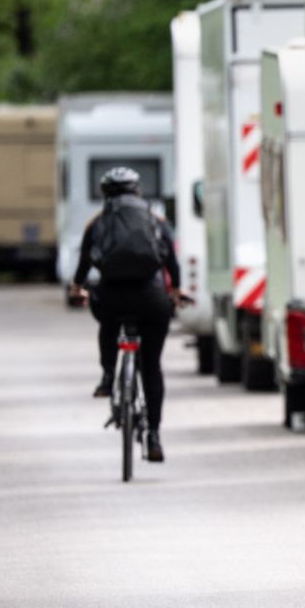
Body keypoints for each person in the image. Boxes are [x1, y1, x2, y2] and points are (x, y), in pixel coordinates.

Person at [69, 166, 185, 463]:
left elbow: (83, 265)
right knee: (152, 366)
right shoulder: (156, 220)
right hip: (152, 298)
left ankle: (108, 376)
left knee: (108, 322)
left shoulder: (97, 223)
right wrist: (175, 291)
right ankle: (155, 435)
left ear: (105, 194)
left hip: (112, 296)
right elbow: (172, 262)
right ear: (138, 190)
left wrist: (78, 288)